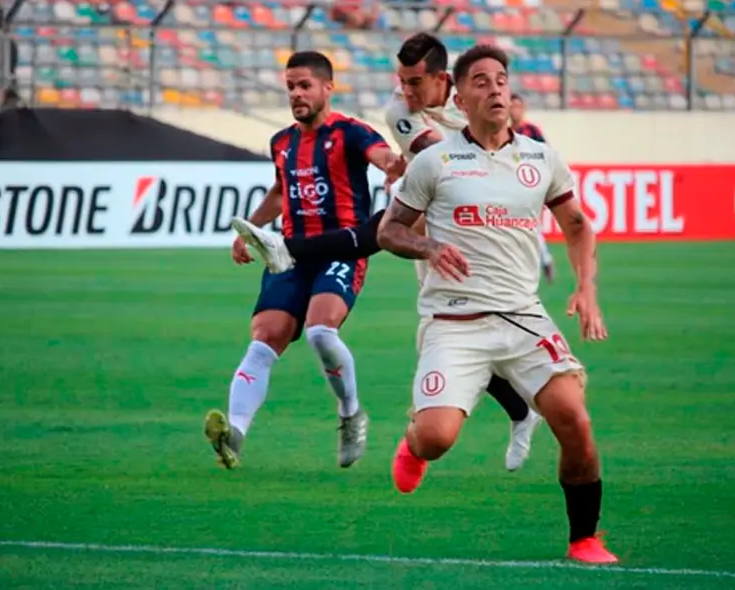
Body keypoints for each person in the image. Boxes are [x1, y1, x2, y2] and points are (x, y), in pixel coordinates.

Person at [232, 33, 543, 473]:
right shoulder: (399, 110)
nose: (406, 92)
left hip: (486, 227)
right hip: (436, 222)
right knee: (453, 325)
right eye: (401, 80)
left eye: (415, 82)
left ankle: (522, 410)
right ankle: (521, 411)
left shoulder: (474, 100)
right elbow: (436, 161)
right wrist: (396, 173)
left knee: (473, 324)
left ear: (443, 81)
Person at [376, 44, 618, 565]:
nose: (494, 89)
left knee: (574, 419)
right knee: (438, 439)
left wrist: (586, 287)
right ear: (459, 99)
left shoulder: (540, 157)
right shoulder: (434, 161)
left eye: (501, 79)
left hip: (522, 316)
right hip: (454, 321)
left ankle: (584, 539)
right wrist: (427, 246)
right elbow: (389, 230)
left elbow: (577, 225)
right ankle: (413, 439)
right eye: (481, 82)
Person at [204, 51, 405, 470]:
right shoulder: (282, 141)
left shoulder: (351, 133)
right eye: (290, 87)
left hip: (341, 251)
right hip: (289, 256)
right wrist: (251, 230)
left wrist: (394, 166)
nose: (296, 94)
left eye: (304, 86)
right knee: (264, 336)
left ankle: (351, 414)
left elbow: (382, 157)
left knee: (319, 330)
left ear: (327, 88)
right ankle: (235, 434)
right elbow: (280, 191)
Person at [509, 93, 555, 283]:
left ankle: (542, 260)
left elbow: (547, 156)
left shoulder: (531, 131)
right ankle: (537, 261)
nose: (515, 110)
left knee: (530, 224)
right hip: (510, 186)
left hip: (529, 185)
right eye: (512, 106)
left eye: (518, 106)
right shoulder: (504, 131)